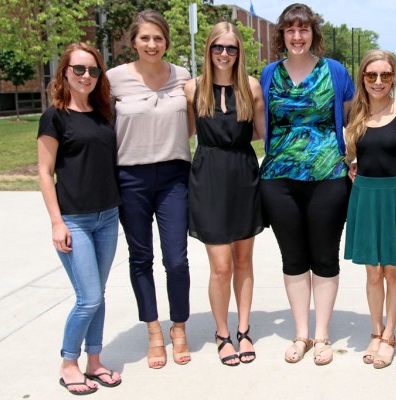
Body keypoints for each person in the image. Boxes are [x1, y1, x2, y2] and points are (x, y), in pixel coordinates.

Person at [259, 3, 354, 366]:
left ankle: (323, 334)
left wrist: (356, 158)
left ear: (314, 34)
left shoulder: (335, 71)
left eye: (303, 30)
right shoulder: (269, 74)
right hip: (278, 180)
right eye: (290, 30)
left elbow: (354, 118)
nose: (297, 37)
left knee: (325, 257)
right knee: (293, 258)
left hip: (328, 176)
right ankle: (302, 333)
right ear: (282, 35)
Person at [107, 9, 192, 369]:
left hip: (174, 176)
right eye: (145, 38)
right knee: (141, 258)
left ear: (166, 41)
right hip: (131, 179)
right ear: (133, 41)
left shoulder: (183, 77)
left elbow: (189, 126)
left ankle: (179, 327)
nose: (152, 44)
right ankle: (154, 330)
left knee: (176, 259)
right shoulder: (113, 80)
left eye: (158, 38)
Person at [38, 42, 122, 395]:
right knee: (87, 297)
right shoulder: (54, 116)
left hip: (108, 217)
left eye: (93, 70)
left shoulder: (103, 112)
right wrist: (57, 223)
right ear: (65, 73)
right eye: (79, 70)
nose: (86, 76)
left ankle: (95, 361)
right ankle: (69, 362)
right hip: (75, 220)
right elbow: (44, 172)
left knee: (98, 294)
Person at [184, 22, 266, 366]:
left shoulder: (251, 87)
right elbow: (183, 133)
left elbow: (266, 134)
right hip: (209, 177)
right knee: (220, 266)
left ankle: (244, 330)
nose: (224, 54)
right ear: (208, 49)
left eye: (231, 48)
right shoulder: (193, 88)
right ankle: (222, 333)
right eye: (218, 47)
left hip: (244, 175)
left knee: (244, 261)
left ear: (239, 53)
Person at [343, 50, 396, 369]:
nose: (378, 82)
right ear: (363, 78)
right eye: (372, 76)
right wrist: (350, 165)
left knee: (393, 270)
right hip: (365, 195)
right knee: (373, 272)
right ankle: (375, 330)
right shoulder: (355, 114)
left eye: (385, 75)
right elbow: (351, 155)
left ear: (393, 77)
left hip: (394, 194)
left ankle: (390, 334)